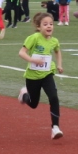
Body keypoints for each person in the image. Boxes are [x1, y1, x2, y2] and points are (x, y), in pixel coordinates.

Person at [18, 12, 64, 140]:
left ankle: (55, 127)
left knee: (54, 97)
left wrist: (59, 65)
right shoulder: (34, 38)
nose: (49, 26)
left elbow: (57, 51)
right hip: (32, 76)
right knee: (33, 104)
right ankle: (24, 95)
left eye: (51, 24)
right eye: (45, 24)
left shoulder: (54, 41)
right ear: (38, 27)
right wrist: (33, 60)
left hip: (47, 74)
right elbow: (21, 53)